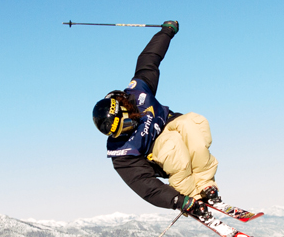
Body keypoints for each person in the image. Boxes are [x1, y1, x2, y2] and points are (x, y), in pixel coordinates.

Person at [92, 21, 219, 219]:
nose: (126, 131)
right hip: (159, 155)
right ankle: (191, 194)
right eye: (119, 132)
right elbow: (145, 186)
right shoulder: (122, 152)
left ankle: (205, 184)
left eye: (125, 124)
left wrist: (167, 32)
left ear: (125, 109)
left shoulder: (139, 93)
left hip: (170, 123)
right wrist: (177, 200)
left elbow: (149, 58)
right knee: (172, 145)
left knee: (193, 123)